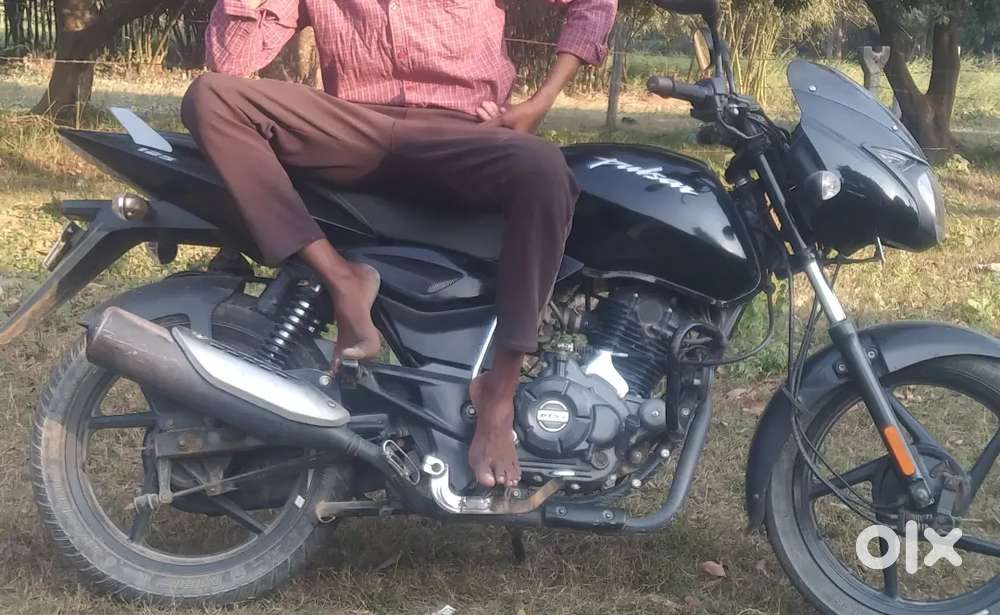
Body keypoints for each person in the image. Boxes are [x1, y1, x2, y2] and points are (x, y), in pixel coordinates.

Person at [181, 0, 616, 490]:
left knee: (544, 168)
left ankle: (499, 392)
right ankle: (342, 280)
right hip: (353, 128)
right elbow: (231, 62)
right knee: (210, 96)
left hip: (462, 132)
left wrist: (539, 102)